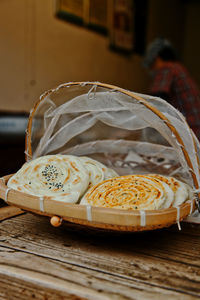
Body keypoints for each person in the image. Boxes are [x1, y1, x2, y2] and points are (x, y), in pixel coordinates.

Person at [143, 38, 200, 139]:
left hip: (192, 131)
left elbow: (156, 102)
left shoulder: (167, 68)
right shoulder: (179, 68)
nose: (152, 70)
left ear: (157, 58)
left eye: (152, 65)